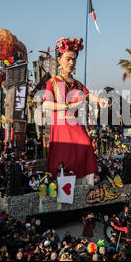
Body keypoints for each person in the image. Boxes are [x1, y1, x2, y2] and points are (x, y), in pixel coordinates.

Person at [42, 37, 109, 186]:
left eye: (74, 59)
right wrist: (67, 106)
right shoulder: (52, 82)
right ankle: (64, 183)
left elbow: (86, 94)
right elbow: (46, 104)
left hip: (76, 124)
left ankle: (84, 183)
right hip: (61, 125)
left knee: (86, 146)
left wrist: (99, 100)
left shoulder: (77, 83)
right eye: (68, 59)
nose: (71, 63)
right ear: (59, 60)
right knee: (67, 156)